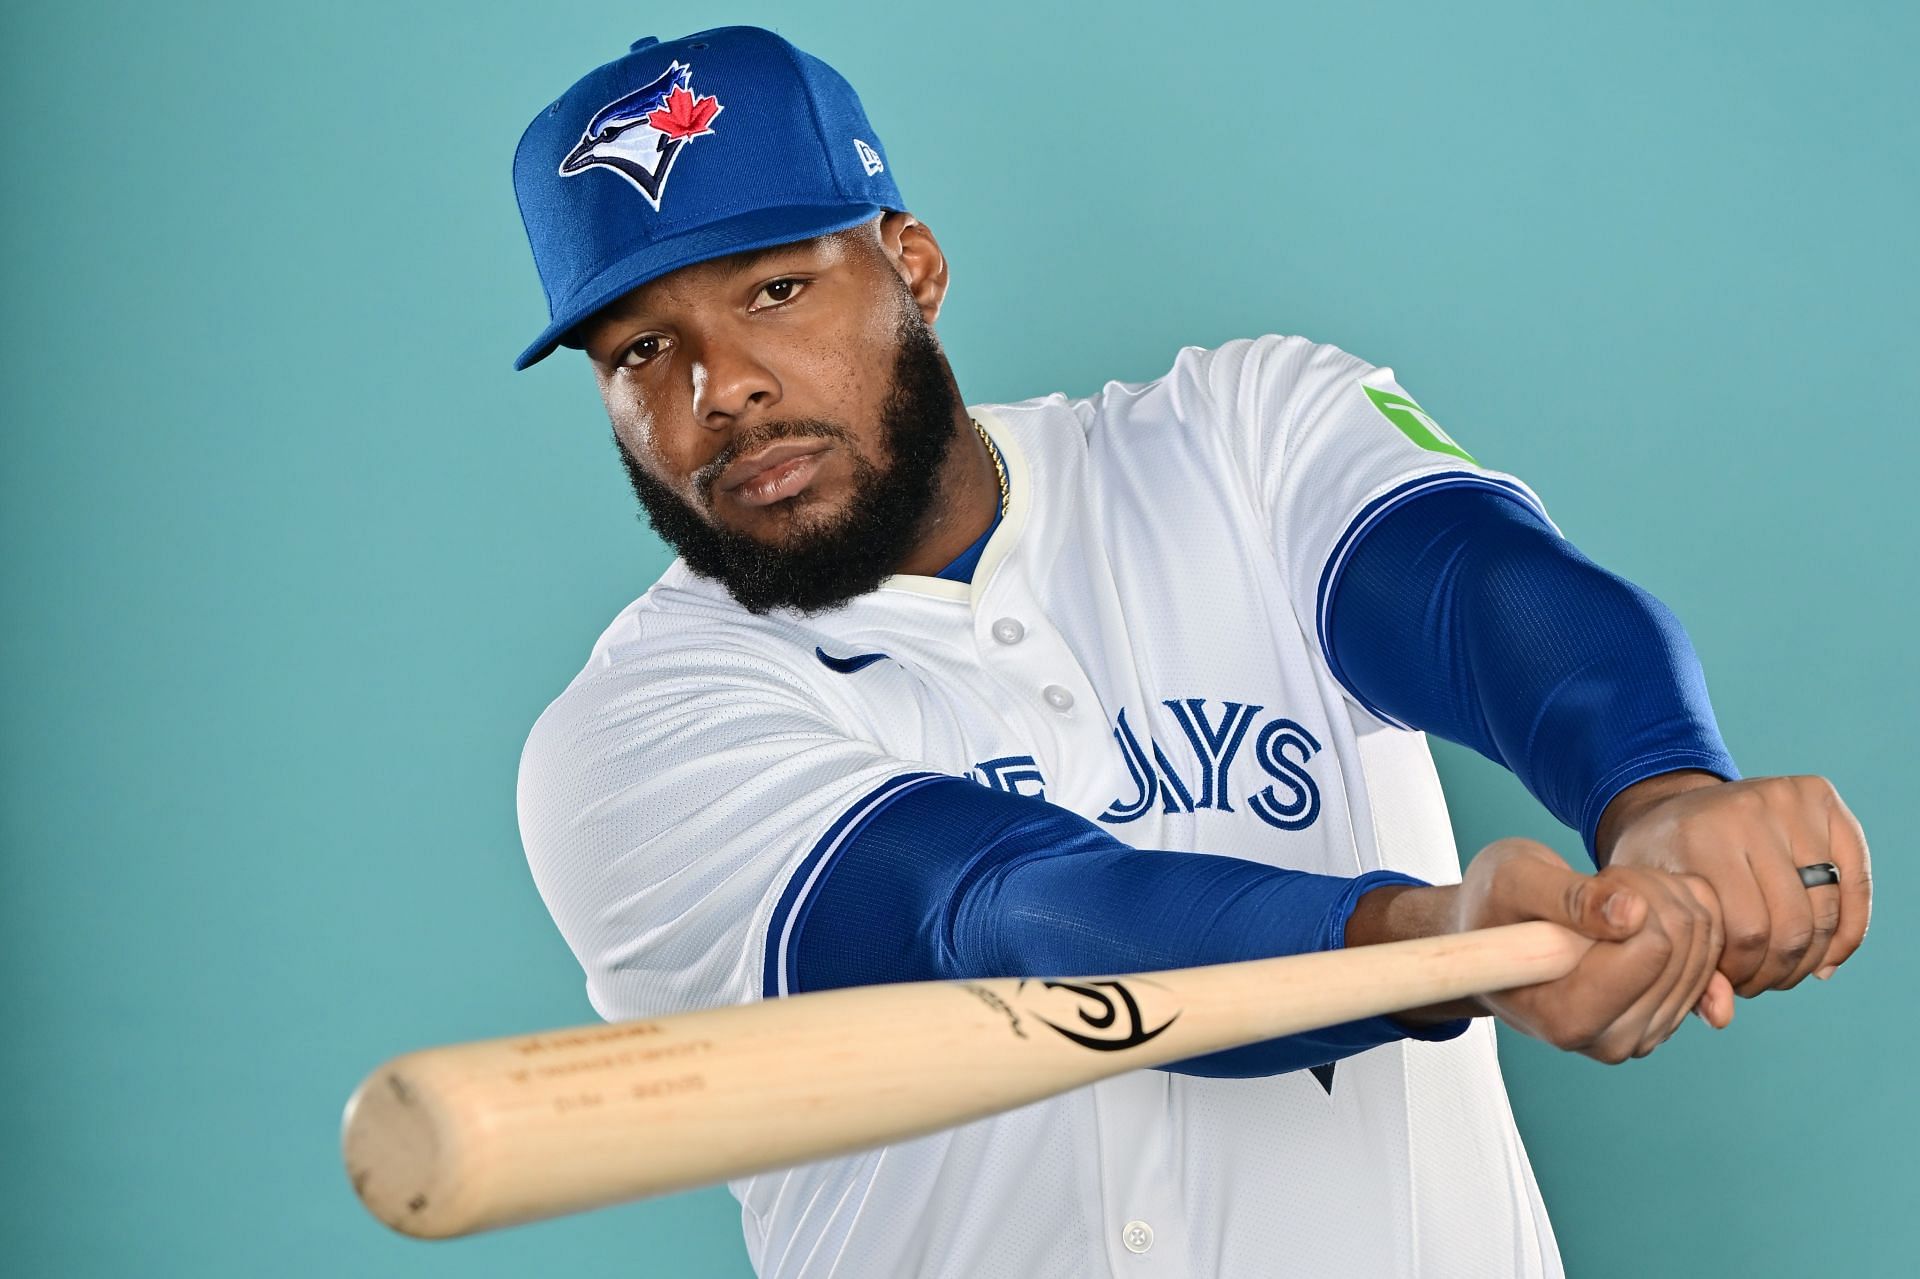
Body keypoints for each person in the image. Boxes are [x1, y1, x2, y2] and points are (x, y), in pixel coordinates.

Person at [508, 26, 1870, 1278]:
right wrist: (1436, 940)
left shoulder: (1235, 438)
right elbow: (1002, 917)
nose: (720, 387)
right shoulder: (633, 735)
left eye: (779, 289)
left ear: (912, 265)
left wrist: (1662, 792)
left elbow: (1479, 592)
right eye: (642, 349)